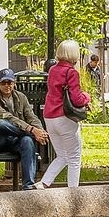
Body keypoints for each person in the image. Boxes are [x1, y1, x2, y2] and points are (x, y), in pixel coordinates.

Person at [0, 68, 47, 189]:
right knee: (1, 123)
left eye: (9, 82)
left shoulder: (21, 97)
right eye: (3, 83)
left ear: (14, 83)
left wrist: (39, 130)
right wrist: (32, 130)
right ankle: (31, 134)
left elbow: (31, 116)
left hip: (15, 139)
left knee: (27, 140)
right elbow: (8, 118)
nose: (7, 86)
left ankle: (28, 186)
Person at [38, 39, 90, 189]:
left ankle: (44, 183)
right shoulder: (71, 72)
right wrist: (87, 97)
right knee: (74, 157)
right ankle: (73, 193)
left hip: (49, 117)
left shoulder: (52, 70)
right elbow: (76, 98)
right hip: (65, 117)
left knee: (62, 155)